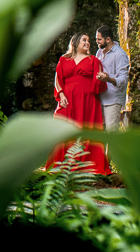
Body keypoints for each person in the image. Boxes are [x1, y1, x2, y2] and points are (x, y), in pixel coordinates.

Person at [46, 32, 110, 174]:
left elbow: (98, 85)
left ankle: (86, 165)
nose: (87, 43)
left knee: (85, 129)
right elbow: (58, 79)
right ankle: (63, 163)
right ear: (75, 43)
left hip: (87, 100)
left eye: (88, 41)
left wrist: (102, 78)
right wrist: (61, 94)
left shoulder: (94, 60)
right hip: (67, 98)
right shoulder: (64, 59)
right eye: (84, 40)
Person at [95, 25, 129, 131]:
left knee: (112, 133)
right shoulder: (99, 52)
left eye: (99, 39)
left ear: (108, 39)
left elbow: (123, 79)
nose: (97, 41)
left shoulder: (120, 54)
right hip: (100, 98)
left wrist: (108, 79)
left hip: (113, 100)